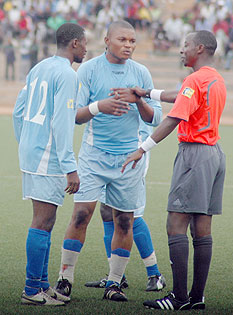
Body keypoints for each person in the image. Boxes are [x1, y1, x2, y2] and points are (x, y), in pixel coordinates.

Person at [53, 20, 162, 302]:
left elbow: (156, 118)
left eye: (132, 41)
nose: (128, 45)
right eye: (122, 40)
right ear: (106, 40)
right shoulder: (88, 70)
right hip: (94, 156)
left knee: (124, 220)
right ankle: (65, 278)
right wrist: (99, 106)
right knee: (81, 215)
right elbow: (75, 115)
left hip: (129, 159)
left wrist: (139, 100)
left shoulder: (141, 72)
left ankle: (114, 283)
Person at [121, 30, 226, 310]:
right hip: (215, 154)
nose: (182, 50)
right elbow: (180, 96)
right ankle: (197, 298)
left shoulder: (194, 79)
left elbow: (175, 118)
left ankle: (179, 298)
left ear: (199, 48)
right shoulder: (214, 78)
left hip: (194, 156)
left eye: (185, 45)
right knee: (202, 228)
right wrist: (147, 93)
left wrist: (142, 148)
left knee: (175, 224)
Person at [12, 22, 87, 306]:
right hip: (48, 155)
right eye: (85, 42)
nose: (86, 48)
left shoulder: (40, 67)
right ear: (75, 44)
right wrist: (71, 167)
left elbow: (19, 111)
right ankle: (32, 289)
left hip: (33, 151)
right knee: (42, 220)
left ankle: (43, 285)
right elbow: (61, 123)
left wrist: (26, 143)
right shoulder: (68, 74)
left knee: (48, 219)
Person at [84, 119, 168, 292]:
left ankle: (155, 274)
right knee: (106, 211)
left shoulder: (139, 92)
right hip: (110, 157)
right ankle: (116, 276)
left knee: (131, 216)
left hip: (133, 155)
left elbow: (153, 117)